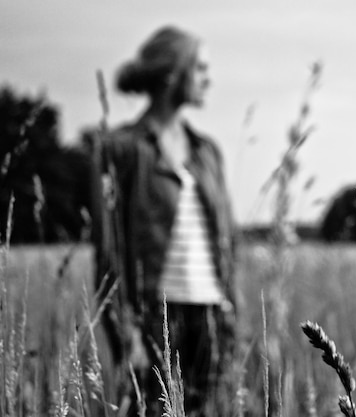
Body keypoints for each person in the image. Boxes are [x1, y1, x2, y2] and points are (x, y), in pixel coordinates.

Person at [92, 26, 237, 416]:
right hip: (157, 315)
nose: (209, 78)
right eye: (201, 68)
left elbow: (227, 241)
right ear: (173, 74)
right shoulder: (120, 149)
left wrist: (230, 310)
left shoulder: (208, 151)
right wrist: (127, 336)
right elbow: (109, 251)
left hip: (210, 313)